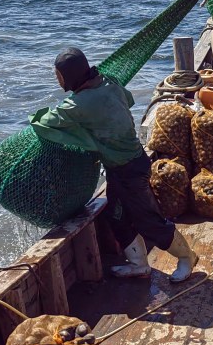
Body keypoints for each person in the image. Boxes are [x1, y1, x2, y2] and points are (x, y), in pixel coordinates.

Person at [31, 47, 198, 283]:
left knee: (148, 220)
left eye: (59, 75)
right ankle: (139, 264)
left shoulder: (79, 104)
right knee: (116, 215)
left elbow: (46, 121)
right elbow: (128, 100)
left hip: (129, 169)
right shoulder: (109, 82)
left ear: (70, 76)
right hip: (125, 165)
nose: (57, 80)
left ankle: (186, 258)